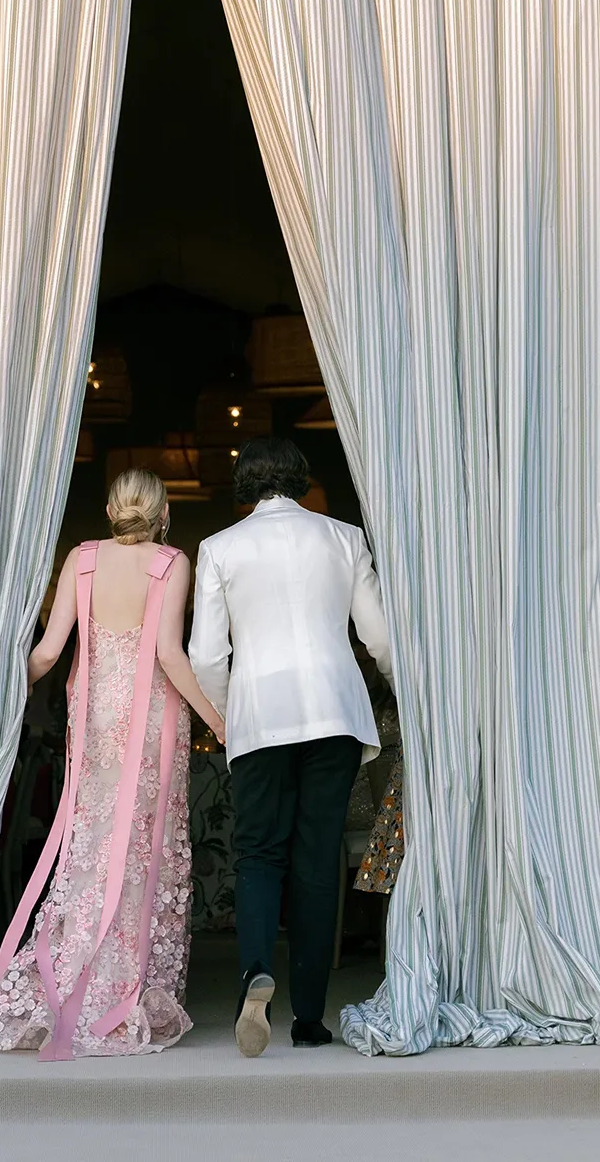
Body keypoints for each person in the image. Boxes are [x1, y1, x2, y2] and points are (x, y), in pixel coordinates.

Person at [0, 468, 226, 1060]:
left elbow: (47, 651)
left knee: (89, 848)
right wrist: (218, 718)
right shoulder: (170, 561)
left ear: (111, 510)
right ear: (164, 513)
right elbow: (167, 652)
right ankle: (124, 986)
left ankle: (71, 975)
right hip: (149, 728)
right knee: (143, 850)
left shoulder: (81, 559)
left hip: (91, 726)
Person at [189, 437, 393, 1056]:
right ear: (301, 479)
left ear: (244, 485)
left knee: (258, 856)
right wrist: (406, 697)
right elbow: (380, 638)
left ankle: (254, 973)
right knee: (317, 860)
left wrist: (227, 713)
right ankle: (309, 1019)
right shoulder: (343, 536)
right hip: (333, 713)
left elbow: (205, 654)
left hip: (260, 717)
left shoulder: (219, 548)